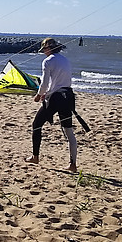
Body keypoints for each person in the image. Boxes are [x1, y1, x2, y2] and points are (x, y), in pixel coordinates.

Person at [25, 37, 78, 172]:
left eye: (44, 49)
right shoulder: (65, 60)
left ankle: (35, 157)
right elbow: (61, 82)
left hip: (56, 98)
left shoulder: (48, 61)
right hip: (68, 96)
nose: (44, 52)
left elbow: (44, 83)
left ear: (48, 49)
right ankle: (73, 165)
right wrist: (46, 92)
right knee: (69, 131)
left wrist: (39, 95)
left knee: (36, 125)